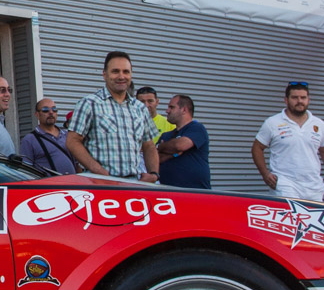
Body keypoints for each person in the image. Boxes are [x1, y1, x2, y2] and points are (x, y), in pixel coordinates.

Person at [67, 51, 159, 181]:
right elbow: (72, 141)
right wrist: (98, 171)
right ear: (104, 75)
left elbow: (149, 145)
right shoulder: (89, 104)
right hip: (100, 183)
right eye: (115, 71)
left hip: (134, 183)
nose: (121, 76)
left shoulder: (140, 108)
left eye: (126, 72)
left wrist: (154, 174)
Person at [252, 81, 324, 200]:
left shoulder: (319, 124)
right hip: (284, 184)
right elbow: (257, 148)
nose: (299, 101)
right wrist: (265, 174)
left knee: (314, 213)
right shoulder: (272, 122)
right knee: (290, 212)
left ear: (308, 100)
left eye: (303, 97)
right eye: (294, 98)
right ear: (286, 100)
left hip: (313, 186)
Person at [157, 94, 211, 189]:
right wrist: (173, 154)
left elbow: (180, 145)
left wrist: (162, 147)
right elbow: (156, 158)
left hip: (195, 192)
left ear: (184, 110)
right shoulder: (166, 135)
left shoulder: (197, 128)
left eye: (171, 107)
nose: (167, 111)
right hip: (167, 192)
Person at [19, 98, 76, 175]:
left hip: (73, 181)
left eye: (54, 109)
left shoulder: (67, 135)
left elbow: (77, 163)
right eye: (45, 110)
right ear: (37, 114)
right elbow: (26, 170)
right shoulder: (29, 140)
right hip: (48, 182)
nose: (51, 112)